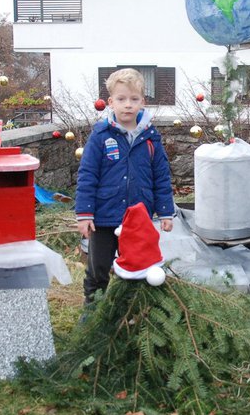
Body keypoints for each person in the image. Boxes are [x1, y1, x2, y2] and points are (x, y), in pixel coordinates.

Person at [75, 68, 175, 303]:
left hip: (138, 218)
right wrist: (84, 213)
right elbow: (87, 175)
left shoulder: (150, 138)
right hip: (104, 218)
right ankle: (93, 314)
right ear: (111, 102)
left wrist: (165, 212)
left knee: (137, 268)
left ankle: (130, 314)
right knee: (98, 270)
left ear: (143, 102)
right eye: (121, 99)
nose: (127, 105)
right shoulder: (100, 136)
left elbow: (161, 177)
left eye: (134, 99)